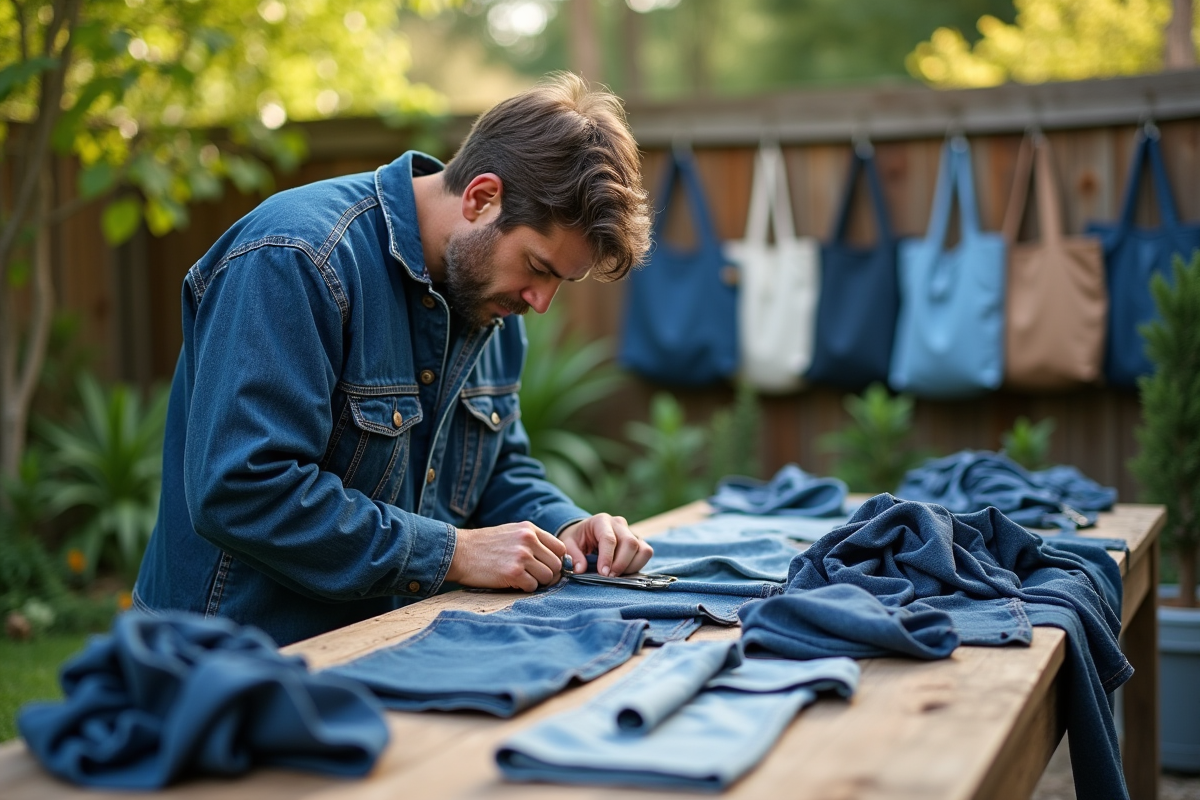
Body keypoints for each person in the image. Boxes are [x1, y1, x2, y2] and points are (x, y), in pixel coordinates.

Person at [133, 74, 655, 646]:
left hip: (389, 647)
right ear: (482, 198)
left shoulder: (489, 300)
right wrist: (452, 553)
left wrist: (569, 525)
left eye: (563, 281)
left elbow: (495, 468)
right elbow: (243, 490)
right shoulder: (298, 258)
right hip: (225, 664)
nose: (541, 302)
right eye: (539, 267)